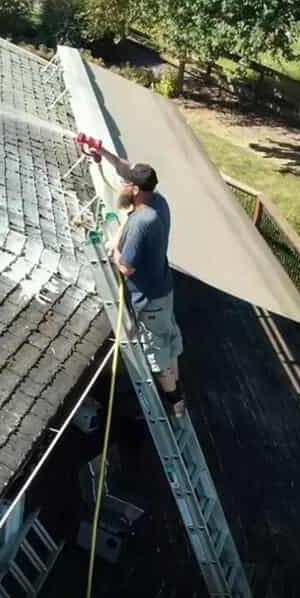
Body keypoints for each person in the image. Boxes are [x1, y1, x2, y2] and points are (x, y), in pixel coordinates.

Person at [99, 148, 186, 418]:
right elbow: (125, 167)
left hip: (148, 301)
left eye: (127, 184)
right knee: (168, 339)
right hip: (164, 288)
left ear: (136, 190)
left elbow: (126, 267)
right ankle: (178, 388)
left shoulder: (141, 223)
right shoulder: (159, 201)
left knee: (156, 353)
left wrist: (113, 251)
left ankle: (176, 401)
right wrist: (100, 150)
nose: (123, 184)